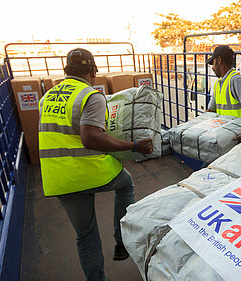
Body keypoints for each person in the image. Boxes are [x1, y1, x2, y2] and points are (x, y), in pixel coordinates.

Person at [38, 48, 153, 281]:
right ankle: (121, 239)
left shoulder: (47, 97)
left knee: (85, 235)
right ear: (92, 71)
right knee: (126, 184)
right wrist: (133, 146)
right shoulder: (90, 95)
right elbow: (91, 138)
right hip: (87, 171)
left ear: (66, 71)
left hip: (58, 178)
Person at [206, 45, 241, 146]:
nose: (213, 68)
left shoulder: (236, 80)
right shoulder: (218, 83)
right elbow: (211, 111)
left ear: (219, 60)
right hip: (229, 139)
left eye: (213, 64)